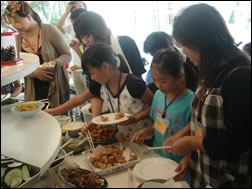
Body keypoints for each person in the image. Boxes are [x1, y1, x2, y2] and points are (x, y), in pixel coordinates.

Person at [163, 3, 251, 188]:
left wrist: (191, 143)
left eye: (186, 45)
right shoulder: (210, 68)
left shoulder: (241, 76)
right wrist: (190, 154)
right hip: (205, 174)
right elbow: (204, 122)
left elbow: (237, 141)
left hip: (230, 180)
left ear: (205, 41)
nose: (185, 52)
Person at [45, 11, 147, 116]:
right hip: (114, 114)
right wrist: (95, 120)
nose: (85, 42)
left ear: (98, 30)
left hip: (138, 110)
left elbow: (139, 79)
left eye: (87, 36)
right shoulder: (94, 56)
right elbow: (94, 93)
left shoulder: (125, 43)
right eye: (82, 38)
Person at [130, 48, 194, 183]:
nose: (158, 85)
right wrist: (147, 131)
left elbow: (197, 137)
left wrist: (188, 158)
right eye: (154, 80)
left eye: (163, 81)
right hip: (157, 160)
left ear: (180, 76)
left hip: (179, 167)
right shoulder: (159, 95)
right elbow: (159, 124)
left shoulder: (191, 101)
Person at [80, 43, 153, 143]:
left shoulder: (133, 83)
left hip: (145, 139)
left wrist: (136, 118)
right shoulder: (104, 85)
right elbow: (98, 98)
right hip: (125, 139)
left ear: (105, 66)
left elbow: (154, 105)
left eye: (92, 73)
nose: (92, 78)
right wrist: (95, 121)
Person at [6, 1, 71, 108]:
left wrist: (55, 62)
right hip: (33, 93)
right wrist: (34, 74)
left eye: (16, 21)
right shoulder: (17, 38)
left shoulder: (49, 30)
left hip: (57, 88)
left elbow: (67, 55)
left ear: (28, 16)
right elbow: (18, 69)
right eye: (10, 22)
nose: (14, 25)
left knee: (59, 121)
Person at [56, 2, 88, 97]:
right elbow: (57, 29)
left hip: (88, 67)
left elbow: (91, 20)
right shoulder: (71, 27)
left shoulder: (91, 27)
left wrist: (83, 11)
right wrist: (66, 13)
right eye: (73, 12)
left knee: (93, 96)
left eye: (79, 12)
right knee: (80, 97)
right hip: (75, 68)